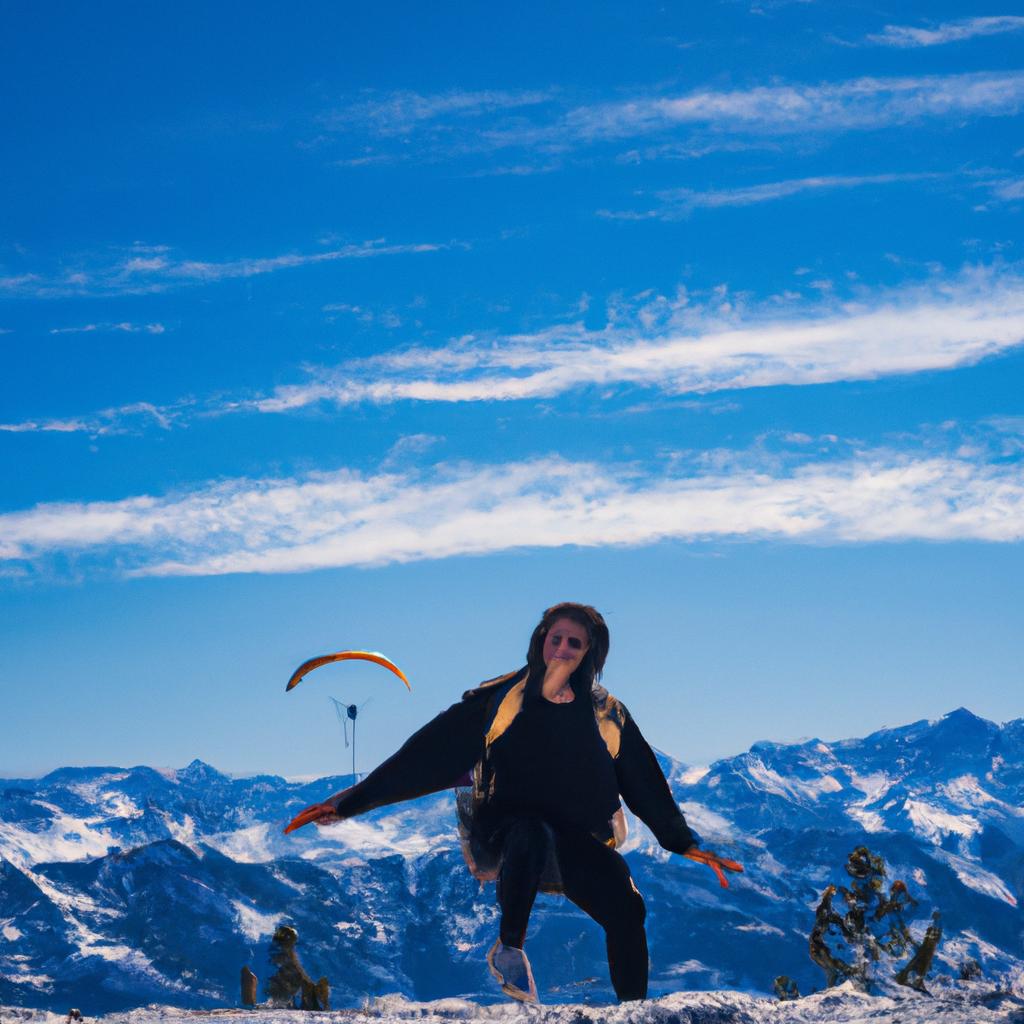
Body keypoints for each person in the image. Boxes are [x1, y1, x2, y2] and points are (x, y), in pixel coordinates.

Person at [286, 602, 740, 1004]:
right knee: (530, 831)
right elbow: (424, 757)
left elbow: (642, 780)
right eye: (555, 638)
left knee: (627, 908)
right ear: (540, 641)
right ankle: (509, 949)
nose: (562, 648)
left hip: (574, 839)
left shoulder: (606, 713)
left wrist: (683, 841)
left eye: (575, 643)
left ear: (589, 654)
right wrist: (350, 803)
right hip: (501, 834)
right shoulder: (501, 701)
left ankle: (635, 1012)